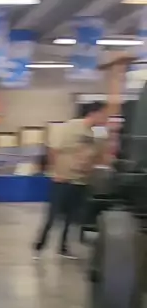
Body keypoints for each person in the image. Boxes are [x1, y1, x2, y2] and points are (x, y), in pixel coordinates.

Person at [34, 101, 108, 258]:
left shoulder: (93, 134)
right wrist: (55, 171)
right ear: (94, 113)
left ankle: (63, 248)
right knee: (53, 216)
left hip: (80, 181)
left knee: (71, 217)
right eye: (103, 114)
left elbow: (95, 157)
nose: (105, 118)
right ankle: (39, 246)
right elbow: (54, 149)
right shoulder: (71, 126)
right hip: (63, 179)